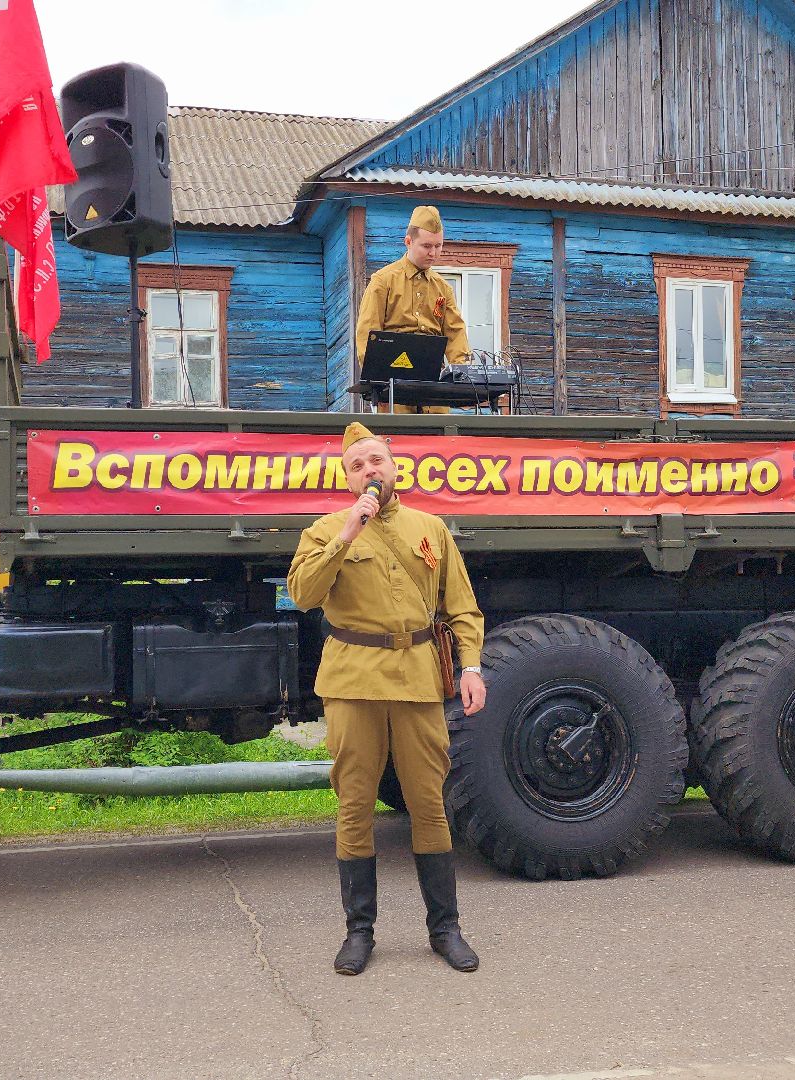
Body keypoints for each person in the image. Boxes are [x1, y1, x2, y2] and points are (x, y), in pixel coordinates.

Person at [287, 421, 488, 975]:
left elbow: (462, 608)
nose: (369, 471)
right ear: (347, 479)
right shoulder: (325, 530)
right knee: (355, 802)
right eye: (357, 465)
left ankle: (445, 929)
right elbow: (303, 594)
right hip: (353, 679)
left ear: (394, 465)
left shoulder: (431, 528)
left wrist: (470, 667)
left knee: (428, 801)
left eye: (376, 460)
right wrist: (347, 533)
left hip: (419, 677)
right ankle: (359, 931)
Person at [354, 205, 468, 415]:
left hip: (433, 388)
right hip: (393, 386)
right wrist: (376, 383)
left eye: (438, 246)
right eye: (426, 246)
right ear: (408, 242)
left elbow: (455, 333)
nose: (433, 253)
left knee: (439, 443)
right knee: (397, 442)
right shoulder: (383, 281)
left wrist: (460, 374)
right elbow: (367, 334)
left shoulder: (443, 288)